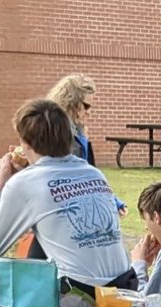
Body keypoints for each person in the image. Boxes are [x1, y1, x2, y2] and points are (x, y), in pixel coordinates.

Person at [0, 99, 132, 291]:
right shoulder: (93, 173)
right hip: (124, 285)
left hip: (78, 294)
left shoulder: (24, 184)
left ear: (26, 143)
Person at [45, 73, 127, 216]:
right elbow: (77, 176)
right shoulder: (58, 133)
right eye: (86, 106)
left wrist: (111, 200)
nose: (89, 112)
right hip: (61, 206)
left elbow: (86, 172)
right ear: (71, 102)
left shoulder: (77, 130)